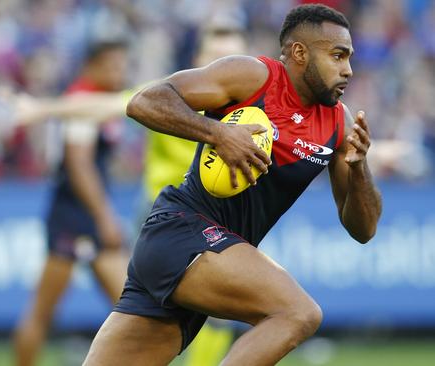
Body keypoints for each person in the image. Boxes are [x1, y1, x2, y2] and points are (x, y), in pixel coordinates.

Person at [83, 4, 382, 366]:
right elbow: (143, 102)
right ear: (300, 53)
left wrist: (360, 167)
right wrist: (220, 133)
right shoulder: (252, 76)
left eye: (349, 58)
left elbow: (363, 230)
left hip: (205, 258)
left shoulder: (338, 123)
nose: (347, 69)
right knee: (297, 313)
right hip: (180, 231)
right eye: (337, 56)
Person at [10, 19, 249, 365]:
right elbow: (85, 145)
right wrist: (42, 109)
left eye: (235, 57)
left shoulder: (253, 107)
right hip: (154, 217)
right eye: (218, 57)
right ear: (199, 59)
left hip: (211, 220)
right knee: (56, 310)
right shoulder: (170, 93)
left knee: (147, 313)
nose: (228, 67)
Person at [12, 40, 130, 366]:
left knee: (133, 307)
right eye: (113, 65)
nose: (120, 72)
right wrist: (105, 215)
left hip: (85, 214)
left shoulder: (99, 101)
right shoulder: (82, 100)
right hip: (74, 216)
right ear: (92, 66)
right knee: (43, 311)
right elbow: (79, 165)